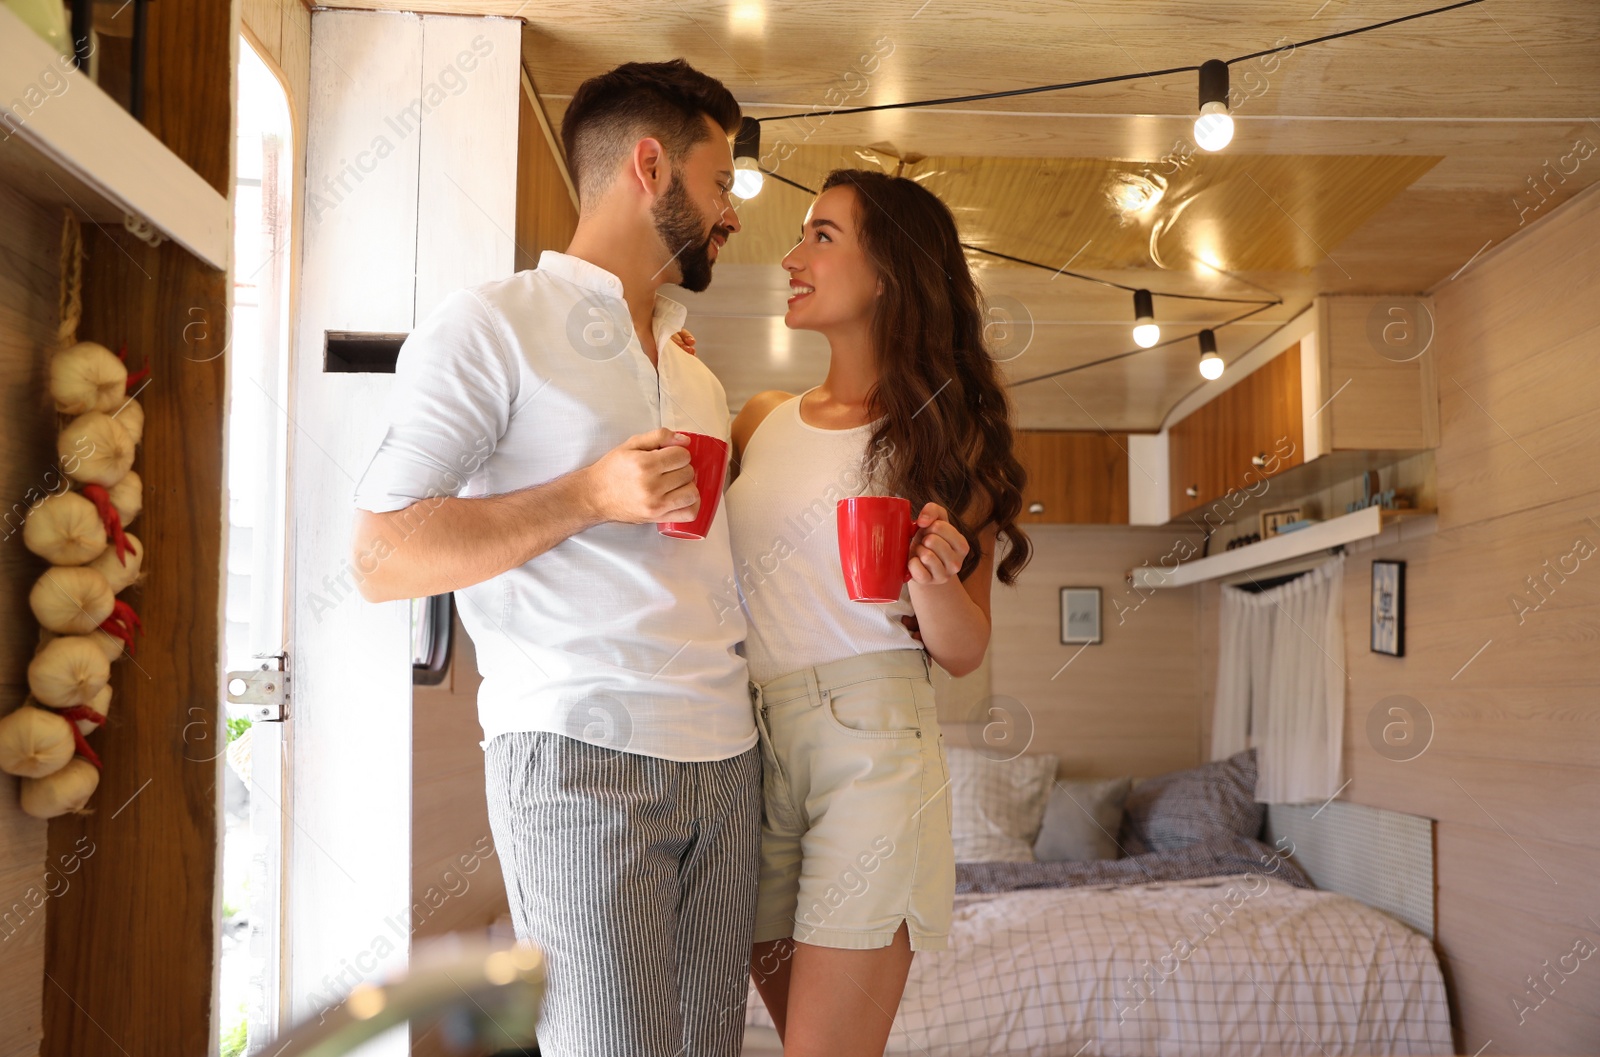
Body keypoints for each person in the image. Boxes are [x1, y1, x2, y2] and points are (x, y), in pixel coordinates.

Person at [349, 60, 759, 1057]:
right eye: (720, 185)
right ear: (650, 167)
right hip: (579, 753)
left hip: (726, 755)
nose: (732, 217)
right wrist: (586, 495)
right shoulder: (491, 323)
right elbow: (379, 554)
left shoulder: (692, 370)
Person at [726, 168, 1033, 1057]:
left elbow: (965, 649)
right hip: (753, 745)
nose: (790, 256)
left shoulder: (948, 439)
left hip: (874, 745)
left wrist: (937, 578)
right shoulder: (759, 421)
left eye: (822, 236)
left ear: (890, 272)